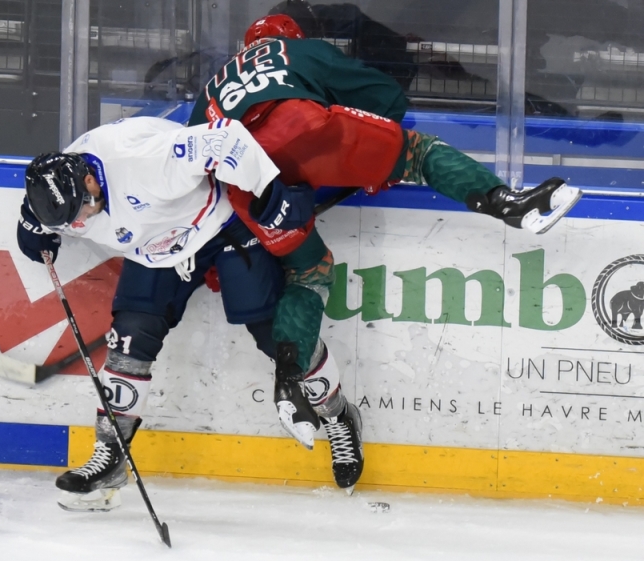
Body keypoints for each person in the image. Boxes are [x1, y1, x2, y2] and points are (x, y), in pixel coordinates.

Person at [187, 13, 583, 487]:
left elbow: (195, 171)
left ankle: (290, 375)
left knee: (309, 271)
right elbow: (386, 98)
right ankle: (507, 202)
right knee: (416, 152)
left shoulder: (210, 88)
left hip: (249, 187)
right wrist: (365, 149)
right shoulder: (297, 52)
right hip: (305, 129)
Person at [16, 116, 324, 510]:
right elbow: (37, 211)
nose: (78, 224)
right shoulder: (56, 191)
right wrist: (33, 228)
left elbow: (225, 137)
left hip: (220, 227)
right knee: (128, 337)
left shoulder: (145, 161)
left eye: (81, 212)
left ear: (90, 181)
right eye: (68, 222)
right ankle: (110, 457)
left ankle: (337, 413)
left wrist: (270, 189)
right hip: (155, 252)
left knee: (273, 331)